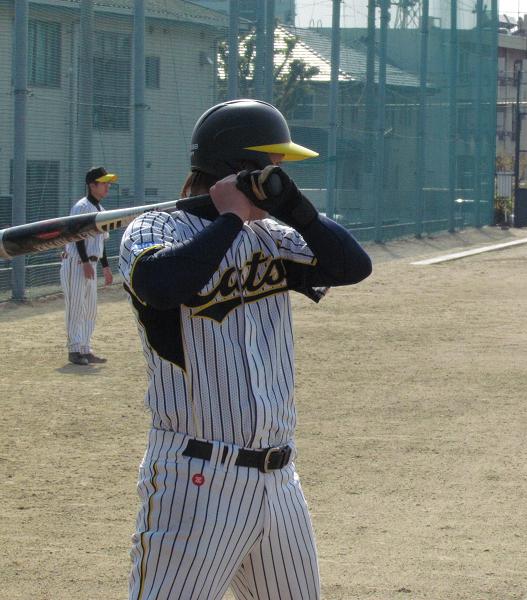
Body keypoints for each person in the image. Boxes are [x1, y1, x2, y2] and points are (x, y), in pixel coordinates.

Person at [118, 99, 372, 600]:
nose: (281, 176)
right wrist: (230, 216)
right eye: (272, 166)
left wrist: (296, 209)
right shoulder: (155, 229)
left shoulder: (272, 236)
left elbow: (352, 266)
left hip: (280, 484)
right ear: (241, 169)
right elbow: (161, 284)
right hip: (195, 479)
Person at [60, 166, 116, 366]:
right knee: (76, 307)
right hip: (76, 262)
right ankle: (74, 349)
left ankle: (85, 348)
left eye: (108, 183)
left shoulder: (101, 210)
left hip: (90, 263)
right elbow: (77, 236)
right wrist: (85, 261)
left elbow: (101, 241)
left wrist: (105, 267)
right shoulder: (81, 207)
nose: (108, 186)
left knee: (90, 309)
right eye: (104, 183)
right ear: (92, 185)